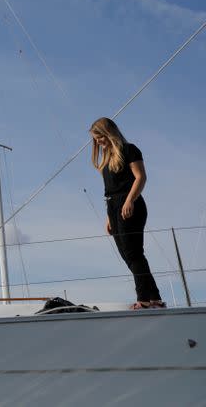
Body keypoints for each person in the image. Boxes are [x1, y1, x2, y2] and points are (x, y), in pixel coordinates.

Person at [90, 117, 164, 309]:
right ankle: (154, 298)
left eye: (100, 137)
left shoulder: (130, 149)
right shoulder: (106, 159)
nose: (98, 142)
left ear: (109, 133)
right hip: (112, 207)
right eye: (95, 139)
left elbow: (141, 177)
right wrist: (109, 216)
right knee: (127, 255)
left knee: (133, 253)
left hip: (130, 204)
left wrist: (130, 200)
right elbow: (110, 189)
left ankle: (144, 299)